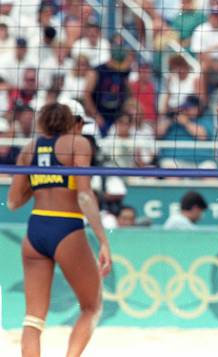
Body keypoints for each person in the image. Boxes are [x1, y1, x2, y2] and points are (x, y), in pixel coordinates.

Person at [6, 102, 111, 357]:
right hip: (66, 227)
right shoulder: (78, 144)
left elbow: (12, 203)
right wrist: (103, 241)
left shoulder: (28, 150)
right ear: (71, 122)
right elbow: (85, 197)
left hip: (35, 229)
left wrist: (42, 180)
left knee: (33, 317)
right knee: (91, 306)